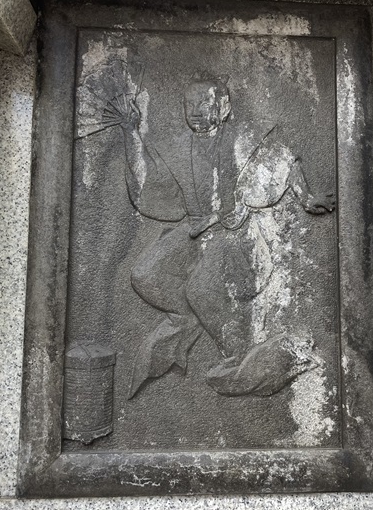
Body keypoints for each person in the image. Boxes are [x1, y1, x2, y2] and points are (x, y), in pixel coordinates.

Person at [108, 73, 335, 398]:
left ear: (224, 107)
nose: (196, 110)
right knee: (144, 275)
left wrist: (306, 196)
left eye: (205, 103)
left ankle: (241, 357)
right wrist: (130, 131)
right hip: (195, 232)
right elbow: (147, 188)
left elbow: (284, 161)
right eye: (190, 104)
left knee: (201, 289)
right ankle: (193, 317)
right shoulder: (179, 148)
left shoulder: (242, 140)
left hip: (236, 238)